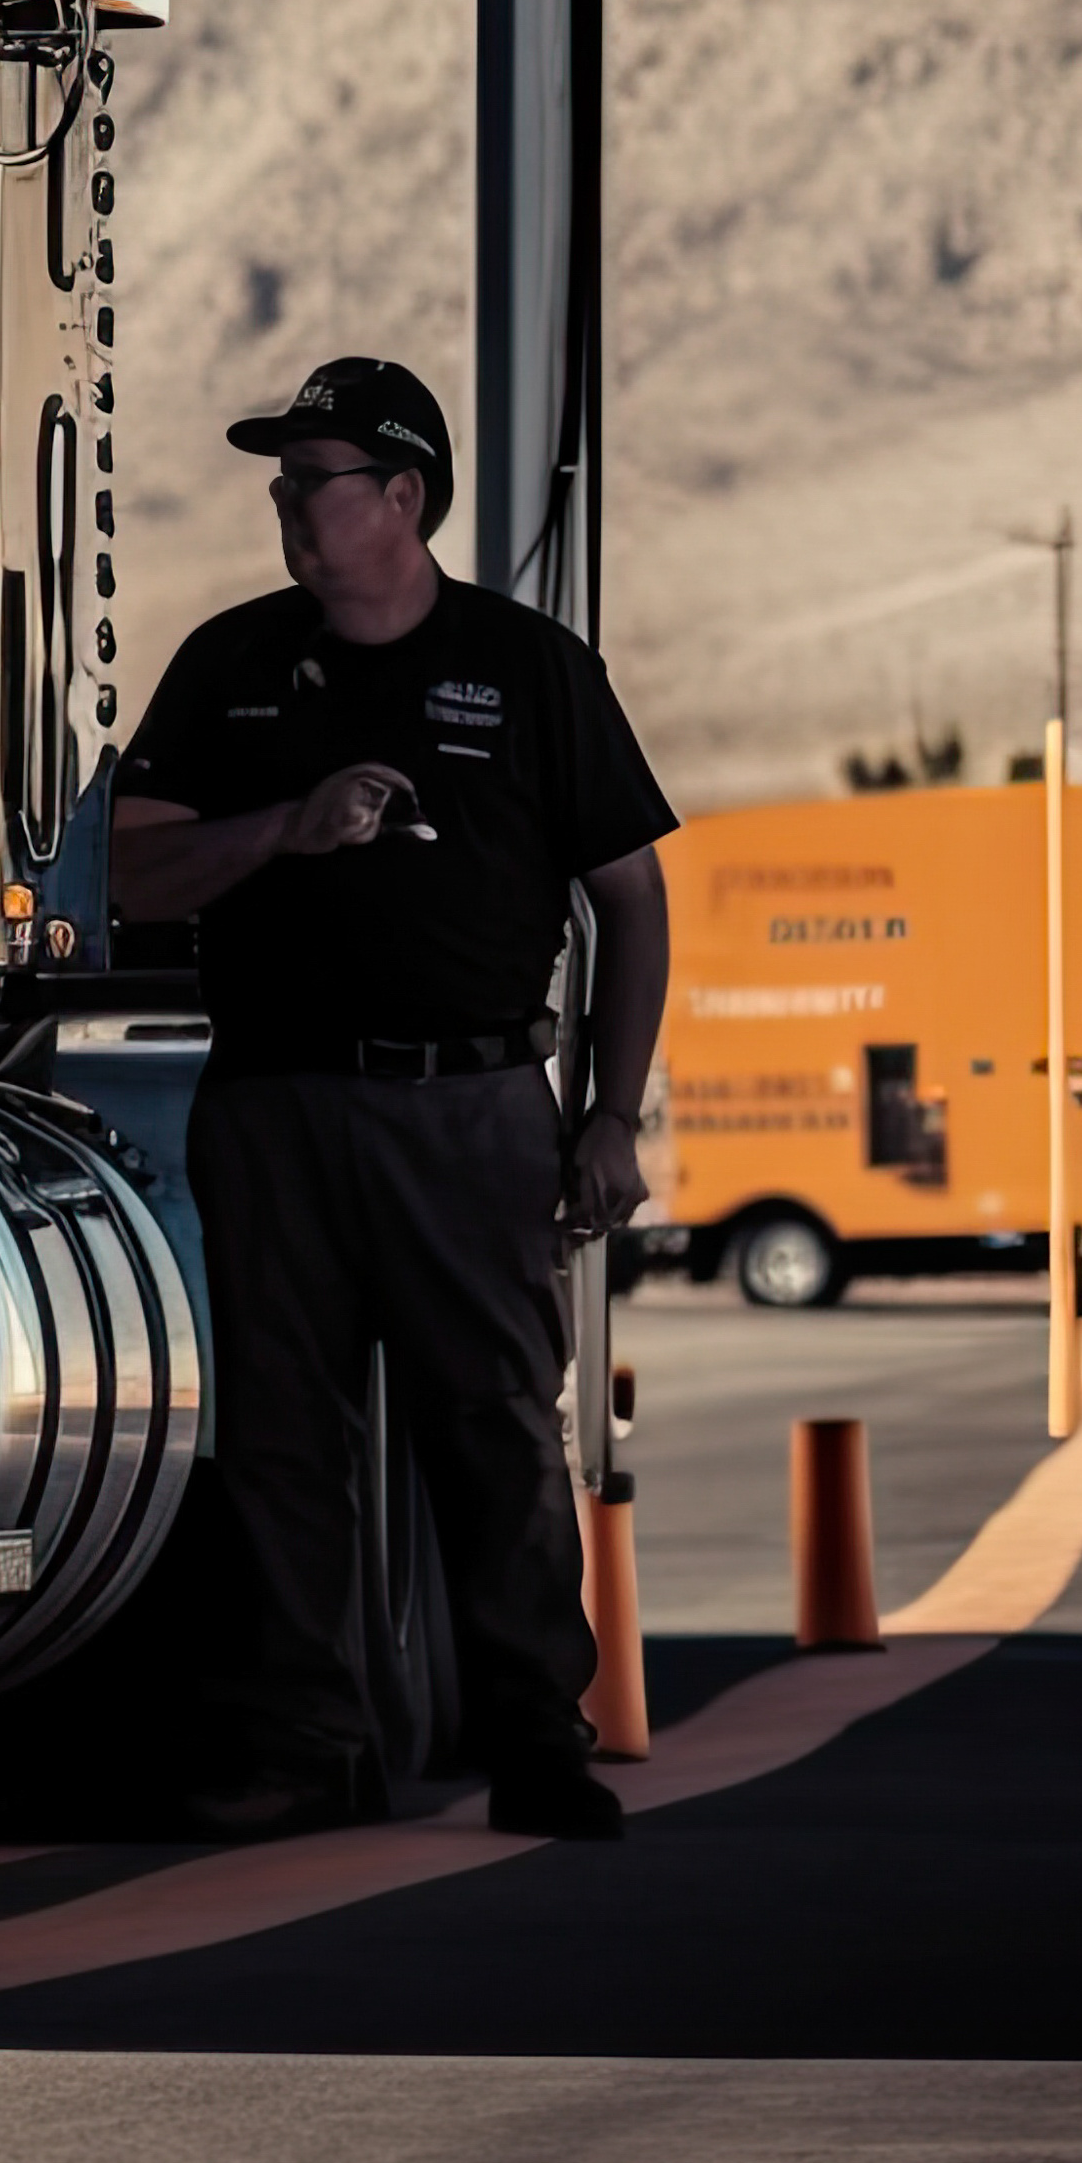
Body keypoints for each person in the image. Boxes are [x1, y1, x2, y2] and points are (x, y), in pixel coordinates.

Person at [110, 355, 673, 1842]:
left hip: (471, 1111)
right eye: (280, 481)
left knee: (491, 1425)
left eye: (315, 479)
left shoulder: (533, 668)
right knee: (282, 1439)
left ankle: (533, 1741)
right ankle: (303, 1747)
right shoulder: (228, 666)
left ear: (402, 496)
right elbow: (122, 870)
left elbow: (630, 897)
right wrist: (284, 831)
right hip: (275, 1111)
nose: (287, 505)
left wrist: (610, 1114)